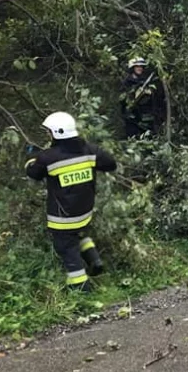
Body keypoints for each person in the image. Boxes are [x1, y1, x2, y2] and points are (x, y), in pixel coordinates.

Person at [25, 112, 117, 292]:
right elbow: (110, 164)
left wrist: (31, 159)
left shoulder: (48, 157)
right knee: (79, 234)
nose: (48, 135)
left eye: (49, 132)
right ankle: (94, 260)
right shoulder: (90, 150)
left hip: (63, 218)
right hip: (84, 212)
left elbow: (34, 173)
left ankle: (81, 287)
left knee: (66, 248)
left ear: (57, 133)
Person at [120, 57, 162, 138]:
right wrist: (133, 94)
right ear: (132, 68)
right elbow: (122, 99)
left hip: (146, 116)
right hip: (132, 117)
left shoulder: (145, 80)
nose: (140, 68)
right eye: (137, 66)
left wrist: (149, 92)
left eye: (141, 66)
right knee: (132, 136)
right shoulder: (127, 82)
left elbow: (154, 96)